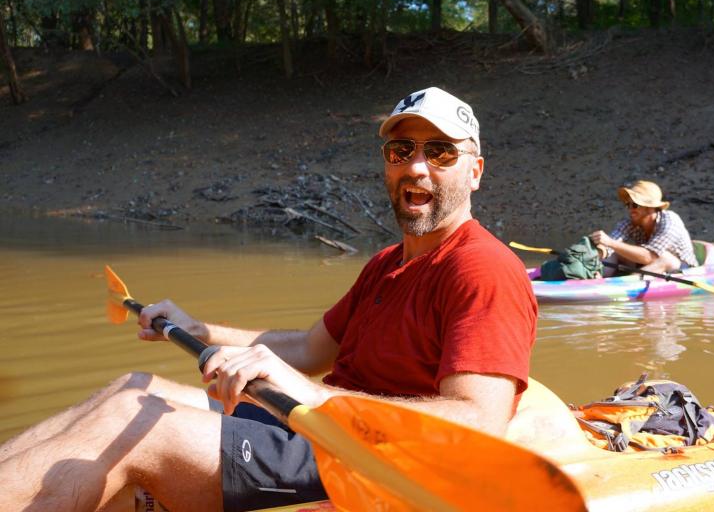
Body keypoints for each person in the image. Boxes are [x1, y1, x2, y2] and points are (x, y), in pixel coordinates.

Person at [0, 87, 538, 512]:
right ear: (387, 164)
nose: (417, 166)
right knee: (131, 389)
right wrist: (201, 329)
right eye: (402, 150)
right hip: (316, 425)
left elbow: (477, 424)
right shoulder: (387, 264)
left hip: (374, 461)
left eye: (440, 152)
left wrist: (313, 395)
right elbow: (306, 348)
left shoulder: (483, 268)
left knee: (133, 423)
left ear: (475, 170)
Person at [588, 180, 698, 276]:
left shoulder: (670, 221)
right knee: (613, 252)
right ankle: (596, 278)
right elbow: (610, 244)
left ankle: (629, 284)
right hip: (651, 266)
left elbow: (650, 256)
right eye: (628, 205)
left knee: (666, 259)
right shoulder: (631, 222)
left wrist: (610, 243)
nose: (630, 209)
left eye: (635, 205)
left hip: (683, 270)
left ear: (650, 208)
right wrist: (600, 253)